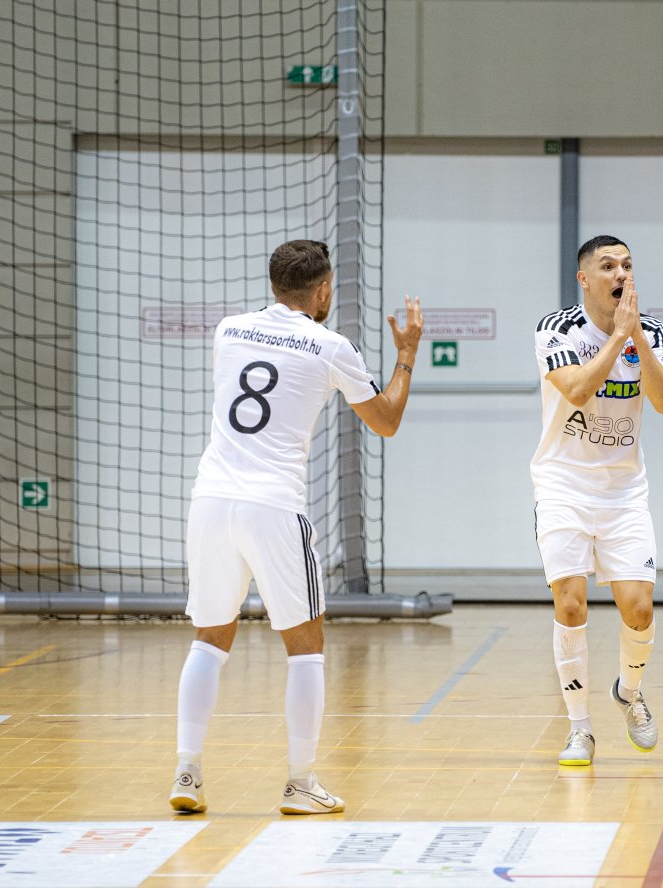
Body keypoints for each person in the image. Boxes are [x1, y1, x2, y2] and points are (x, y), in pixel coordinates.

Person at [169, 240, 423, 815]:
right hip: (274, 506)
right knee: (306, 650)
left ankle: (187, 772)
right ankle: (300, 781)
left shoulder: (228, 330)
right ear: (324, 290)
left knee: (209, 640)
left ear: (274, 282)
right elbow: (385, 421)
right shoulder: (332, 345)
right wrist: (406, 355)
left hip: (210, 501)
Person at [533, 235, 663, 767]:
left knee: (638, 609)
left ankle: (629, 694)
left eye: (628, 266)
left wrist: (635, 333)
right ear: (585, 278)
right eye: (609, 265)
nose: (621, 274)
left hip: (622, 492)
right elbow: (576, 390)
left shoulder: (650, 330)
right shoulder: (557, 328)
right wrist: (617, 340)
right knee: (569, 602)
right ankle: (579, 728)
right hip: (562, 486)